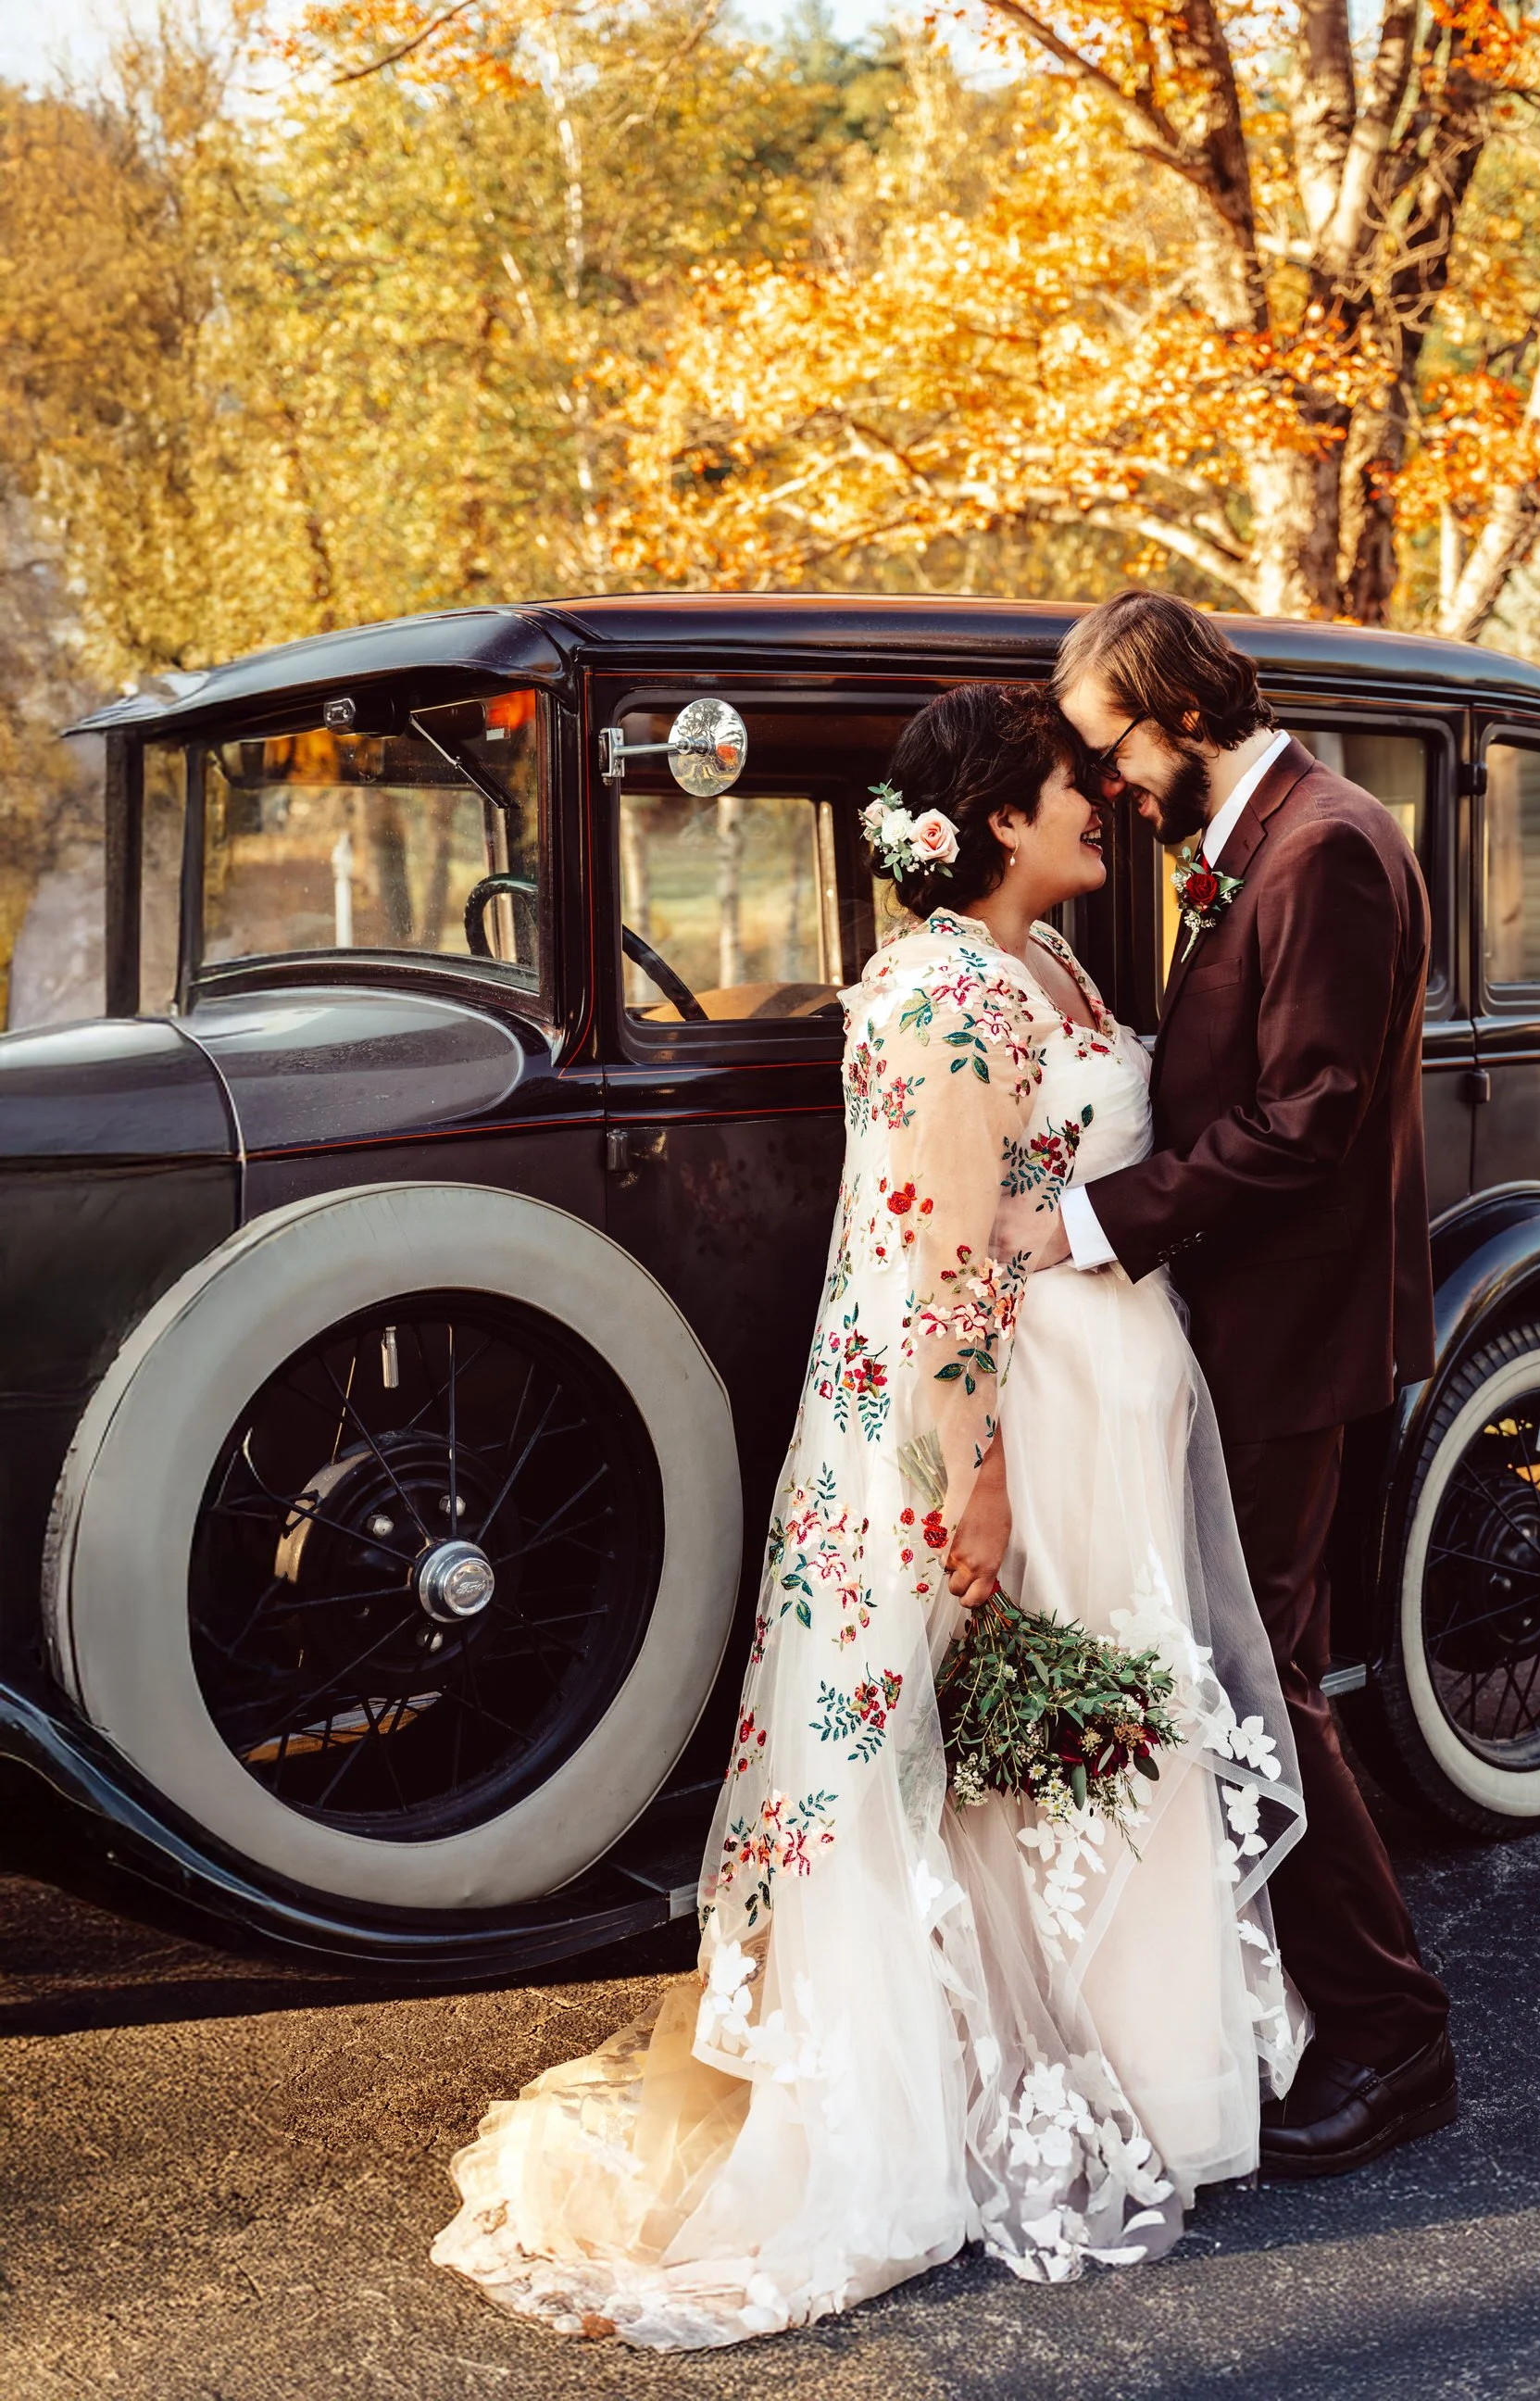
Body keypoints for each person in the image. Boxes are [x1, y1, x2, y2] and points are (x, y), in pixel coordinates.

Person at [432, 681, 1308, 2349]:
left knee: (1086, 1721)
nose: (1102, 804)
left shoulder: (1047, 964)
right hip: (976, 1423)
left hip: (1095, 1413)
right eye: (1072, 785)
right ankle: (911, 2101)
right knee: (961, 1735)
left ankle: (1144, 2061)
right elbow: (932, 1257)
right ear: (998, 820)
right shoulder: (936, 996)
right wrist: (965, 1478)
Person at [1048, 590, 1455, 2176]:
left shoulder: (1328, 846)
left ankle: (1394, 2033)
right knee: (1249, 1673)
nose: (1112, 788)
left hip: (1292, 1339)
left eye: (1113, 751)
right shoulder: (1254, 835)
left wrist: (1092, 1220)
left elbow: (1309, 1118)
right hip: (1246, 1328)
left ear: (1179, 712)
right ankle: (1303, 1997)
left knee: (1268, 1682)